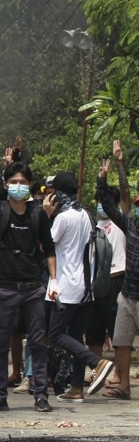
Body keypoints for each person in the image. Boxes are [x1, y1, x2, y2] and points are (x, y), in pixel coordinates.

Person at [0, 137, 55, 412]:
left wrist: (54, 280)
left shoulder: (38, 214)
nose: (18, 186)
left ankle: (41, 394)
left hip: (33, 288)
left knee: (38, 343)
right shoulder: (0, 209)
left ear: (30, 185)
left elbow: (49, 248)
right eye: (13, 182)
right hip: (5, 287)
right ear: (6, 185)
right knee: (1, 344)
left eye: (23, 182)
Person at [43, 172, 115, 402]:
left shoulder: (63, 218)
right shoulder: (85, 214)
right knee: (75, 335)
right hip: (86, 284)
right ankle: (76, 388)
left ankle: (97, 362)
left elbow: (46, 243)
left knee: (55, 334)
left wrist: (46, 216)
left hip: (66, 285)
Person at [95, 151, 138, 400]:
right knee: (121, 341)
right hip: (127, 293)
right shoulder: (130, 225)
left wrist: (121, 164)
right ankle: (124, 386)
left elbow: (123, 194)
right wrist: (102, 180)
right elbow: (111, 205)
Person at [87, 144, 128, 390]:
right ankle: (96, 371)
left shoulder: (121, 222)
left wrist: (118, 166)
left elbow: (124, 194)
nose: (102, 205)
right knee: (93, 331)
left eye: (106, 202)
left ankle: (119, 376)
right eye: (100, 201)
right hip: (95, 281)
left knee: (117, 334)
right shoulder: (91, 225)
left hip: (116, 279)